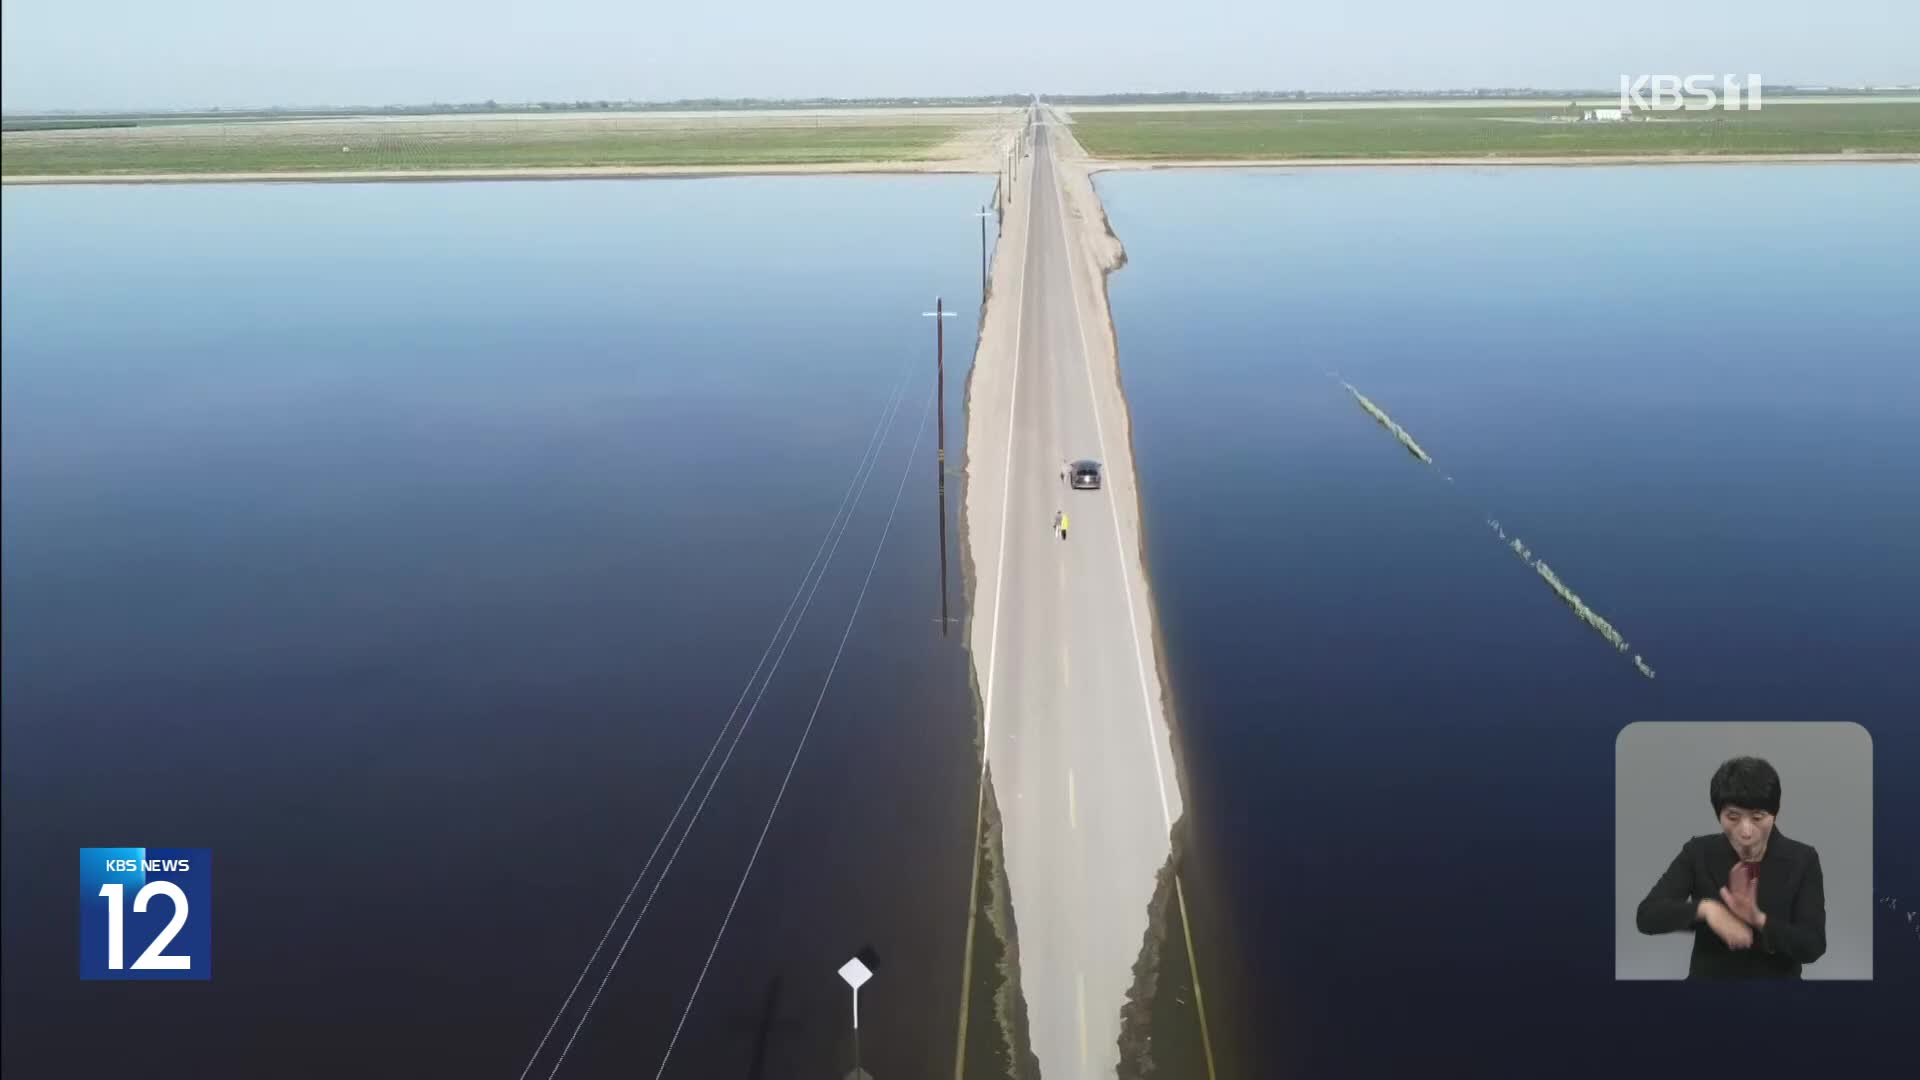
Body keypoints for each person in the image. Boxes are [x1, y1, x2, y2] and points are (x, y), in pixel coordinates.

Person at [1634, 755, 1827, 979]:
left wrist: (1759, 920)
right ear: (1719, 814)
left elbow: (1813, 946)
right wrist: (1706, 910)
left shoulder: (1803, 859)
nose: (1746, 832)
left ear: (1775, 812)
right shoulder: (1698, 852)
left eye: (1757, 817)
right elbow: (1647, 915)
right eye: (1733, 817)